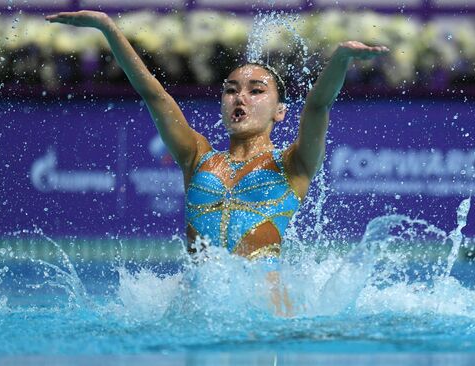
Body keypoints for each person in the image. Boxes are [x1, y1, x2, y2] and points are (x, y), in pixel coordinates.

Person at [46, 10, 388, 315]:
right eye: (230, 90)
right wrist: (107, 28)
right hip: (195, 316)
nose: (240, 98)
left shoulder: (292, 164)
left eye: (256, 91)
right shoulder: (197, 157)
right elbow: (154, 93)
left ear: (280, 111)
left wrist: (341, 58)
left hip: (266, 321)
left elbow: (317, 106)